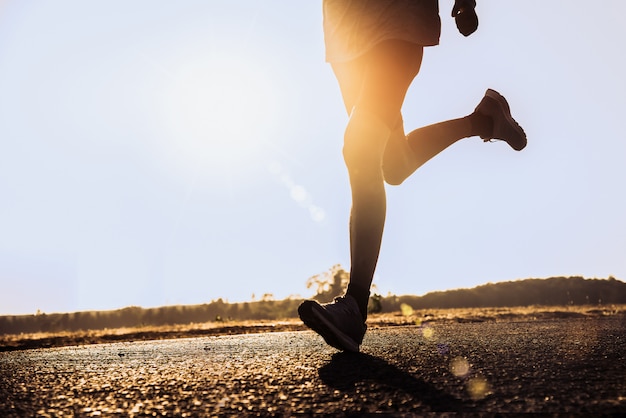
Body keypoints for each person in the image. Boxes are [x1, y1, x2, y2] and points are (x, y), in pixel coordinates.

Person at [298, 0, 527, 352]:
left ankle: (355, 305)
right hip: (344, 30)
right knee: (394, 163)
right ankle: (484, 120)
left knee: (359, 149)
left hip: (397, 19)